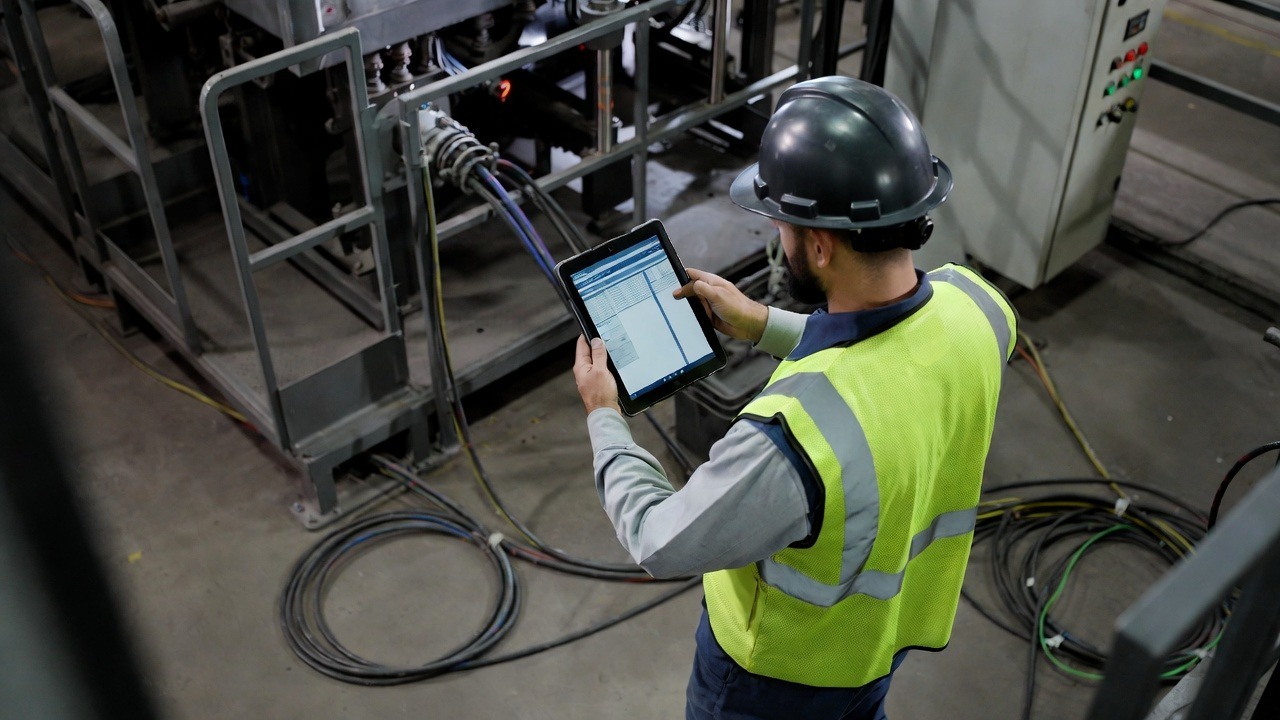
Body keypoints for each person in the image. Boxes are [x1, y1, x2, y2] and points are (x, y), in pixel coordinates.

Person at [572, 76, 1016, 720]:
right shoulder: (981, 309)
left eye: (781, 221)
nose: (779, 234)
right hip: (877, 650)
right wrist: (761, 322)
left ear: (819, 243)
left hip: (776, 680)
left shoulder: (797, 437)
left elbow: (658, 539)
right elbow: (890, 347)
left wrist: (604, 417)